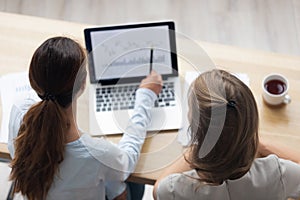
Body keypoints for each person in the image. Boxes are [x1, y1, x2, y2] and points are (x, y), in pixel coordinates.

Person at [7, 36, 163, 200]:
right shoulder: (97, 153)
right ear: (82, 85)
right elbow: (127, 161)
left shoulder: (18, 110)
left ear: (33, 81)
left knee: (113, 181)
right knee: (132, 185)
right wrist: (145, 96)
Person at [153, 69, 300, 200]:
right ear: (251, 122)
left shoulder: (174, 189)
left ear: (194, 127)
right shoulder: (278, 173)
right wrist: (256, 142)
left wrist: (201, 147)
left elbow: (157, 191)